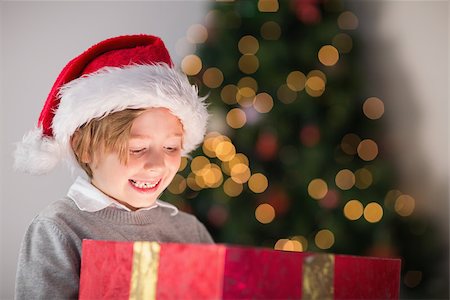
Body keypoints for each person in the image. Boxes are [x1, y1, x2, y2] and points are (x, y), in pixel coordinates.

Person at [13, 34, 213, 299]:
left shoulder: (190, 231)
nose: (156, 165)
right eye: (137, 149)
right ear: (85, 149)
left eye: (171, 148)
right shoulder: (59, 229)